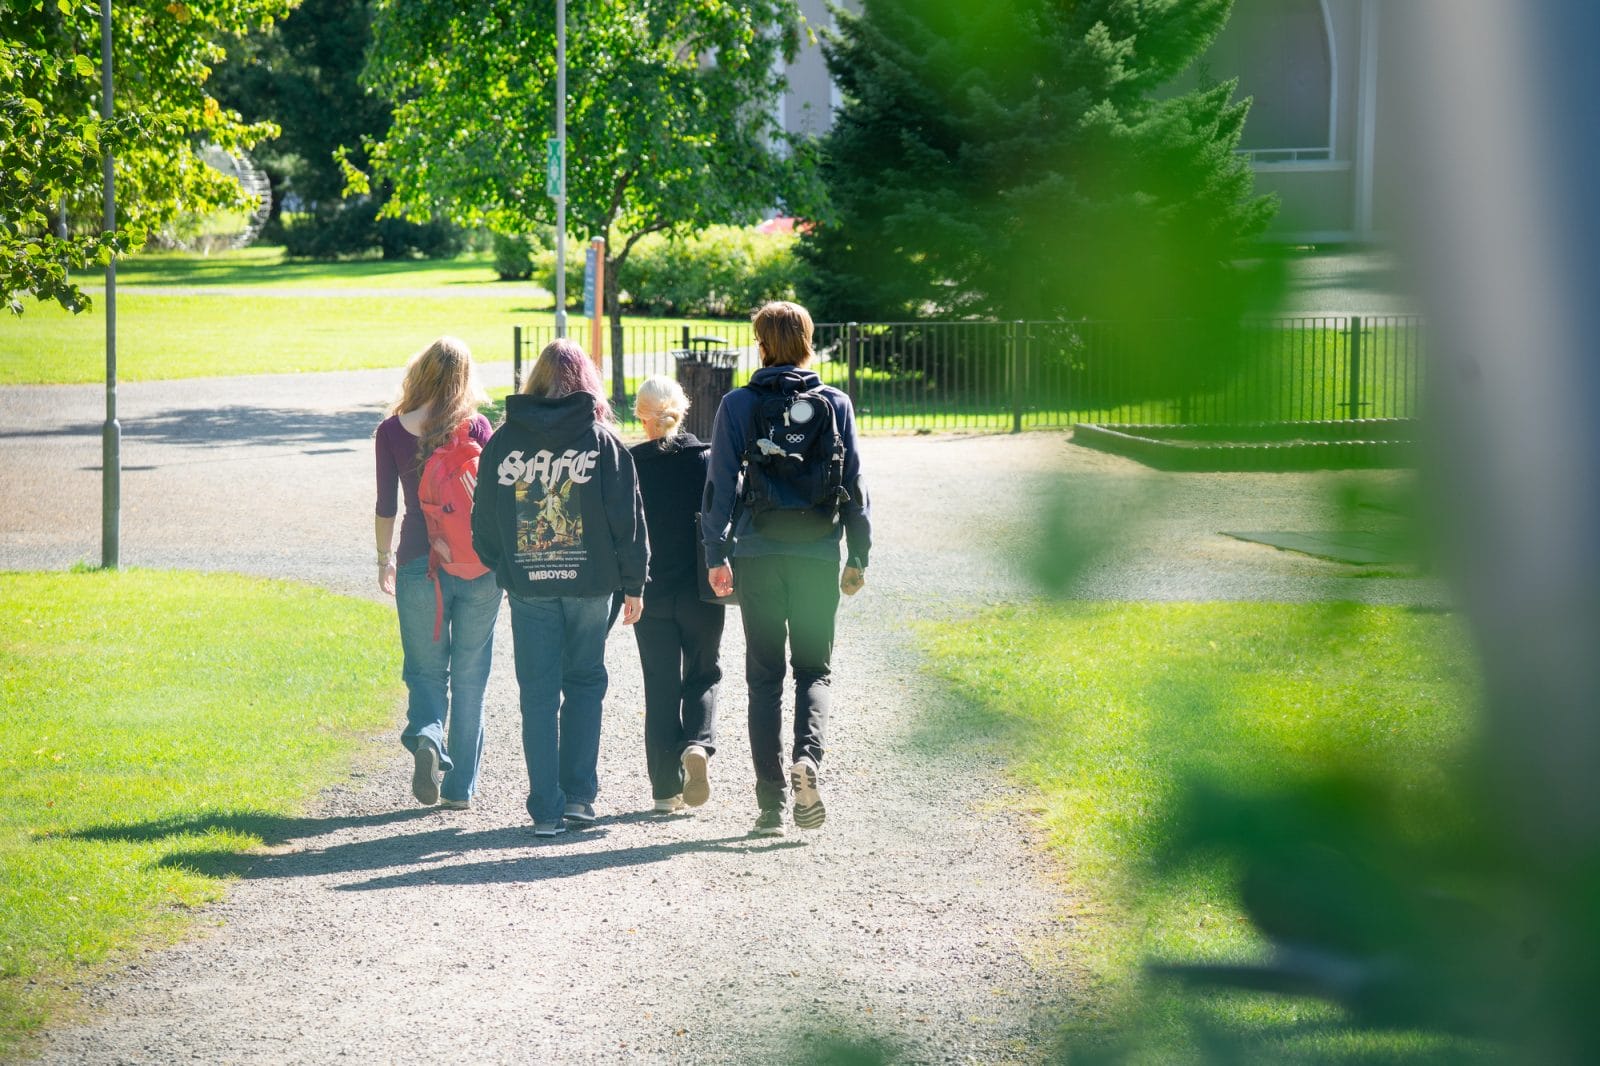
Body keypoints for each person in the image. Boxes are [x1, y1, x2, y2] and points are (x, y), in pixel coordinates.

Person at [701, 301, 871, 837]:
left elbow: (720, 484)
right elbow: (857, 485)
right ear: (806, 341)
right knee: (814, 670)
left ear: (762, 344)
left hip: (758, 552)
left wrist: (715, 553)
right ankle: (809, 759)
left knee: (763, 680)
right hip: (819, 552)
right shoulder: (835, 402)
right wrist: (859, 555)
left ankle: (771, 806)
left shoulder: (739, 404)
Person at [472, 339, 647, 837]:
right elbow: (628, 522)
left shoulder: (504, 441)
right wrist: (634, 582)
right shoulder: (601, 440)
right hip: (592, 584)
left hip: (529, 584)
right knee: (586, 682)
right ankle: (579, 798)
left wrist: (506, 566)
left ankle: (545, 809)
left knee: (538, 694)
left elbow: (483, 518)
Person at [374, 337, 503, 811]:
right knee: (471, 676)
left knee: (426, 671)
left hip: (416, 561)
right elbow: (494, 496)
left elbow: (386, 504)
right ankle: (458, 789)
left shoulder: (391, 431)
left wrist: (383, 557)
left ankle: (428, 737)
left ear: (420, 372)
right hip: (479, 566)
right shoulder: (477, 427)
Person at [629, 376, 727, 815]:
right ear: (682, 409)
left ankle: (665, 791)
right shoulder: (705, 458)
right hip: (700, 590)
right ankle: (698, 746)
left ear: (640, 416)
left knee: (660, 687)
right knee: (703, 674)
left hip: (650, 592)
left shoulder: (629, 464)